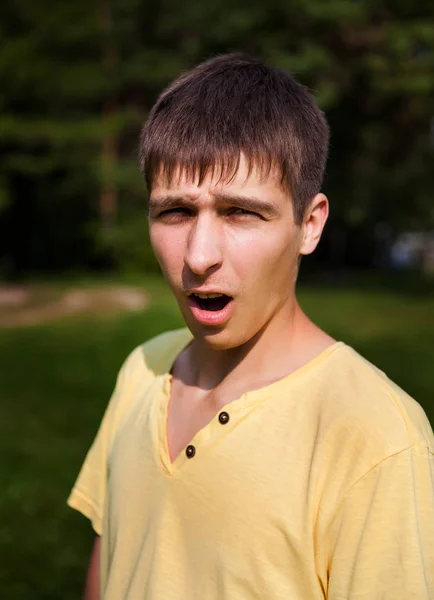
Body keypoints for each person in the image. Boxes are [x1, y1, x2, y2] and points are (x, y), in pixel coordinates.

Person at [68, 53, 434, 600]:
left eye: (241, 213)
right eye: (175, 212)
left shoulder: (375, 437)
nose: (199, 254)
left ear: (309, 225)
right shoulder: (142, 372)